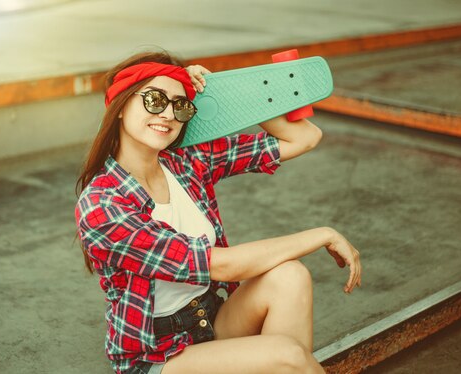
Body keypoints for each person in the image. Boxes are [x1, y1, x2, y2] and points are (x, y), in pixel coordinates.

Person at [75, 49, 362, 374]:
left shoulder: (185, 163)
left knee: (290, 277)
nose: (168, 114)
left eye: (180, 105)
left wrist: (224, 92)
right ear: (120, 107)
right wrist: (322, 234)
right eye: (154, 100)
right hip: (157, 357)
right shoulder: (102, 205)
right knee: (289, 357)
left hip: (211, 319)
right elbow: (222, 266)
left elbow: (305, 137)